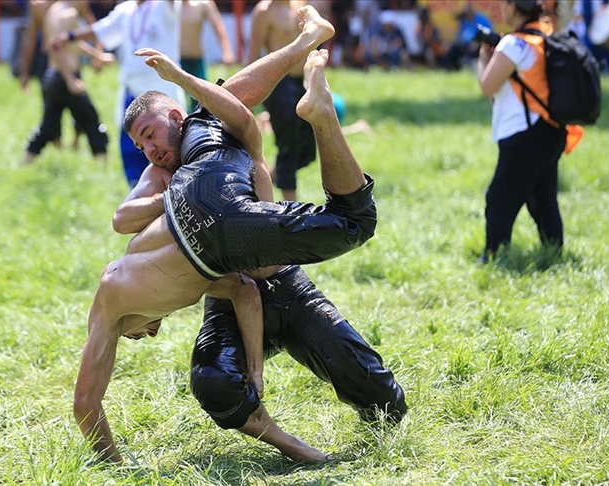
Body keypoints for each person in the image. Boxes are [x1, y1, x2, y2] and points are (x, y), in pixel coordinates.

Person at [73, 7, 381, 464]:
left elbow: (84, 405)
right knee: (217, 111)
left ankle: (317, 97)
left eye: (151, 136)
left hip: (259, 250)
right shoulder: (165, 174)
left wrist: (113, 465)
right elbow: (241, 291)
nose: (151, 151)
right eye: (142, 147)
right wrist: (256, 372)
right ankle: (307, 52)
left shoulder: (117, 292)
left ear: (170, 119)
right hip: (238, 247)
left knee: (214, 111)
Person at [114, 163, 407, 464]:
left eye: (137, 331)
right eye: (140, 144)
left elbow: (256, 162)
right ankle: (292, 446)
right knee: (214, 381)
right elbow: (122, 217)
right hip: (231, 305)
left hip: (287, 289)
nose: (150, 334)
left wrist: (256, 371)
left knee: (385, 402)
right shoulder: (159, 186)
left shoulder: (207, 158)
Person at [49, 0, 185, 187]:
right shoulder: (126, 9)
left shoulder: (164, 5)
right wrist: (70, 36)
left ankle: (180, 192)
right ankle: (138, 193)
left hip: (162, 89)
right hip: (131, 89)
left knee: (170, 144)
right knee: (132, 146)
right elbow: (101, 29)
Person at [476, 0, 567, 263]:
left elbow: (487, 86)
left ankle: (493, 256)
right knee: (542, 197)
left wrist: (484, 56)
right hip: (552, 130)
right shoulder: (546, 36)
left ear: (514, 8)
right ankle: (554, 252)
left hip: (523, 135)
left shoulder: (513, 44)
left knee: (499, 199)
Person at [22, 0, 111, 165]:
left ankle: (25, 162)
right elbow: (56, 46)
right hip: (64, 77)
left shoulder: (55, 10)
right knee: (91, 120)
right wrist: (70, 79)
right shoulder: (68, 15)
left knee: (48, 125)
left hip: (52, 76)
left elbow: (71, 42)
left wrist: (98, 56)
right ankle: (103, 164)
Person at [248, 0, 315, 202]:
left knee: (308, 151)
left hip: (300, 83)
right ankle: (291, 209)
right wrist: (249, 95)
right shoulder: (264, 11)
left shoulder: (300, 6)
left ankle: (264, 180)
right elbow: (253, 54)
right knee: (289, 148)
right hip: (278, 84)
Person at [180, 0, 235, 111]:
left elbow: (218, 27)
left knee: (201, 100)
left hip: (195, 60)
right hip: (175, 61)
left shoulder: (203, 4)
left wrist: (226, 50)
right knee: (175, 98)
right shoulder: (169, 6)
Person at [444, 1, 492, 71]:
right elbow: (460, 35)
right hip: (465, 46)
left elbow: (488, 35)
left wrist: (477, 43)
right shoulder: (464, 21)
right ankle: (447, 68)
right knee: (454, 47)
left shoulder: (481, 20)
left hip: (478, 46)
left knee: (474, 48)